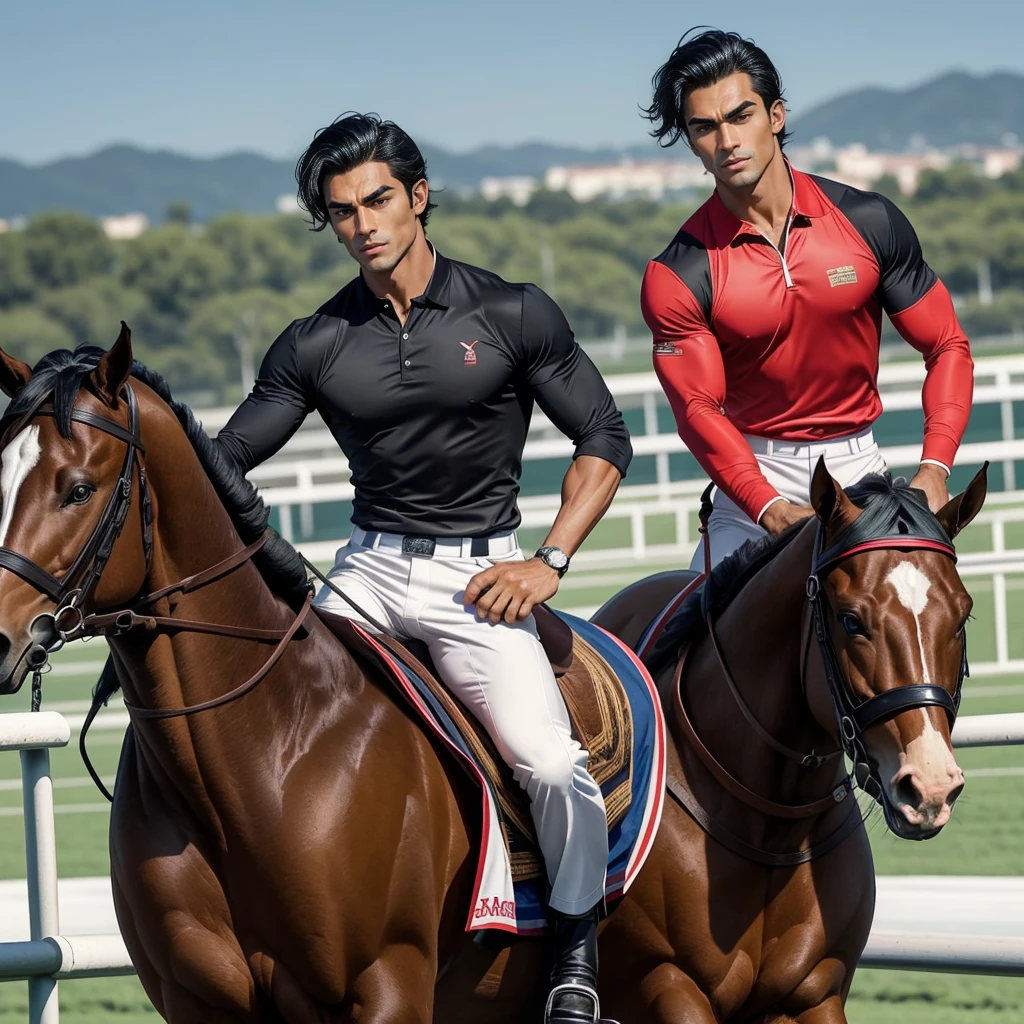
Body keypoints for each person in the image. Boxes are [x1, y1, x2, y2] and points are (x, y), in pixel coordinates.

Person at [214, 113, 632, 1023]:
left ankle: (573, 952)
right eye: (341, 212)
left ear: (418, 195)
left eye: (377, 200)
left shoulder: (512, 311)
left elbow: (604, 436)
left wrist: (549, 560)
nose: (362, 224)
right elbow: (222, 461)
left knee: (555, 768)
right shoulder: (312, 342)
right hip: (363, 576)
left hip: (479, 583)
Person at [640, 29, 974, 570]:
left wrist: (935, 467)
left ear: (776, 116)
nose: (727, 141)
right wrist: (767, 506)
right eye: (705, 127)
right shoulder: (677, 273)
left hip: (861, 470)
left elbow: (947, 345)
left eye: (741, 116)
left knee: (921, 631)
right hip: (752, 487)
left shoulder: (869, 221)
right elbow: (697, 407)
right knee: (685, 638)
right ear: (692, 141)